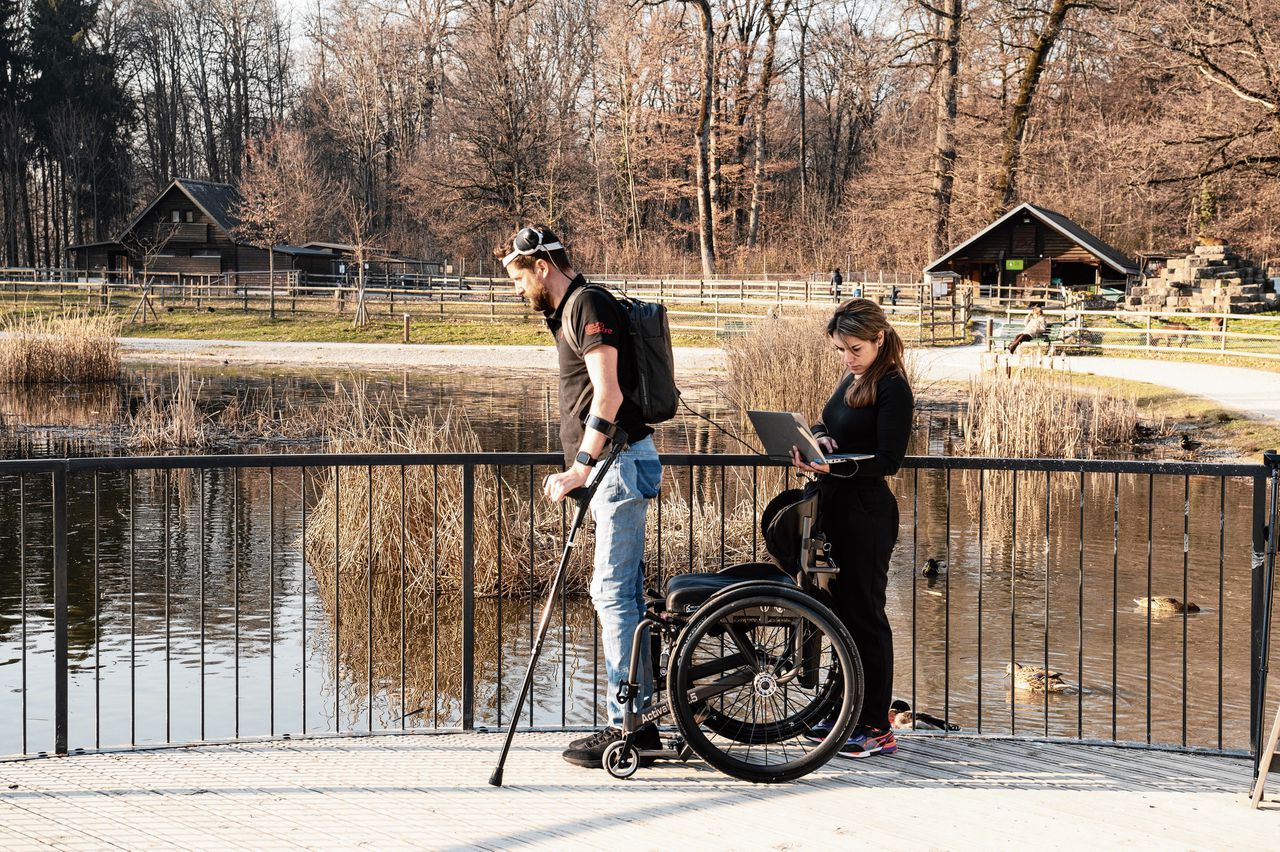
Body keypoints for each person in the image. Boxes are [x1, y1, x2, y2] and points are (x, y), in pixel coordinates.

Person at [497, 225, 663, 768]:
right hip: (614, 469)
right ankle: (640, 719)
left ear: (542, 266)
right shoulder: (571, 307)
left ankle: (626, 728)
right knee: (624, 595)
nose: (519, 291)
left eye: (520, 278)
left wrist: (578, 469)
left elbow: (610, 393)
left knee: (612, 594)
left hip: (615, 466)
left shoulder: (586, 304)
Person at [790, 298, 913, 758]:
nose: (847, 357)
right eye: (842, 349)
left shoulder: (893, 387)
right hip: (837, 508)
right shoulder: (853, 378)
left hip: (867, 513)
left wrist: (832, 468)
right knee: (841, 619)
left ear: (879, 339)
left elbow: (889, 461)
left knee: (868, 620)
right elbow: (827, 419)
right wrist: (819, 439)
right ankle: (845, 712)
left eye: (855, 348)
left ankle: (877, 726)